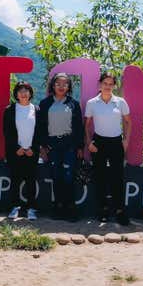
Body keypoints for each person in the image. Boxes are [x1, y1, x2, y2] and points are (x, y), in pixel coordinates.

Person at [85, 72, 131, 225]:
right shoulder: (92, 103)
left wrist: (126, 140)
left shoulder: (120, 102)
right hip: (99, 143)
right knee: (100, 177)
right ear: (100, 84)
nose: (108, 86)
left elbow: (128, 122)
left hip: (116, 143)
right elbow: (86, 125)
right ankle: (103, 210)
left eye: (111, 84)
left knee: (117, 177)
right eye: (105, 83)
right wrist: (89, 142)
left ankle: (119, 210)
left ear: (114, 86)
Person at [38, 73, 84, 221]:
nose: (61, 86)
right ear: (53, 85)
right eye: (58, 83)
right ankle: (58, 207)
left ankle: (70, 208)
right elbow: (41, 127)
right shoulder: (45, 103)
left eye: (65, 84)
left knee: (69, 176)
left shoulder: (73, 104)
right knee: (56, 176)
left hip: (69, 144)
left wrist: (80, 147)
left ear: (69, 87)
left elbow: (78, 127)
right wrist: (43, 147)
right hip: (52, 145)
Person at [3, 81, 41, 220]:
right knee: (15, 180)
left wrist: (34, 148)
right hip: (16, 152)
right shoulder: (10, 110)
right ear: (16, 94)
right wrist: (16, 148)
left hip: (31, 152)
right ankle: (15, 207)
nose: (23, 93)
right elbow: (7, 132)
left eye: (26, 90)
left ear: (30, 93)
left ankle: (31, 208)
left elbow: (40, 132)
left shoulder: (36, 110)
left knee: (31, 181)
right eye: (20, 91)